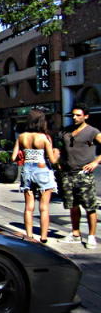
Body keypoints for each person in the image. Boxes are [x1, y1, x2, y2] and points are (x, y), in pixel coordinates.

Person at [57, 103, 101, 249]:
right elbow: (60, 149)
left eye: (78, 115)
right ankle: (75, 234)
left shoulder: (92, 131)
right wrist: (58, 162)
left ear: (86, 116)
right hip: (67, 174)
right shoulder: (66, 131)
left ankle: (91, 236)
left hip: (84, 174)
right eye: (73, 115)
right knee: (73, 205)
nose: (75, 118)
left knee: (89, 206)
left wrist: (95, 162)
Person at [11, 108, 58, 243]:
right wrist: (56, 152)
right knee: (44, 207)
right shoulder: (43, 138)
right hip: (42, 170)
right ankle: (43, 237)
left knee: (28, 207)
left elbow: (13, 157)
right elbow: (52, 160)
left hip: (27, 170)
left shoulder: (22, 137)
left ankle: (29, 235)